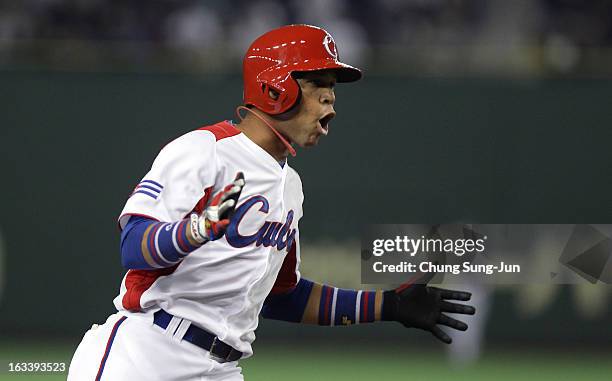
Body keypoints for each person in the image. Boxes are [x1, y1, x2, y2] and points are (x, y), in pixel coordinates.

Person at [67, 24, 476, 381]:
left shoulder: (290, 187)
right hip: (148, 354)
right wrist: (198, 228)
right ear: (275, 87)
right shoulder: (205, 150)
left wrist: (389, 305)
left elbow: (283, 295)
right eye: (321, 86)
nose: (331, 101)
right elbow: (134, 245)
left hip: (221, 368)